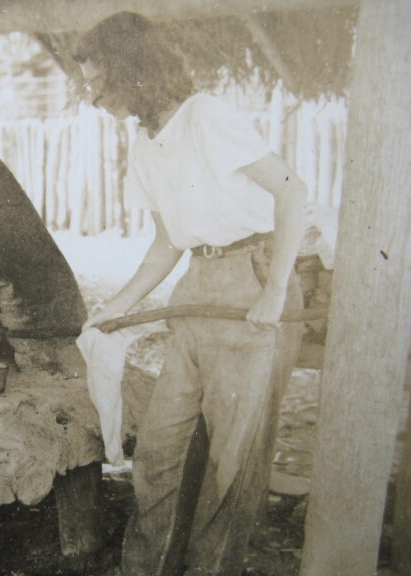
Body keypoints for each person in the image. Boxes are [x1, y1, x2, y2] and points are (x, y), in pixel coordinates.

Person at [74, 12, 307, 576]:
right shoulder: (144, 142)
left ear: (131, 69)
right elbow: (166, 243)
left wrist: (274, 290)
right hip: (198, 289)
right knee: (157, 452)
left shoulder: (205, 116)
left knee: (232, 463)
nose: (89, 92)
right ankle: (146, 568)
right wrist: (117, 308)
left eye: (95, 77)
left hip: (250, 282)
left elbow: (292, 190)